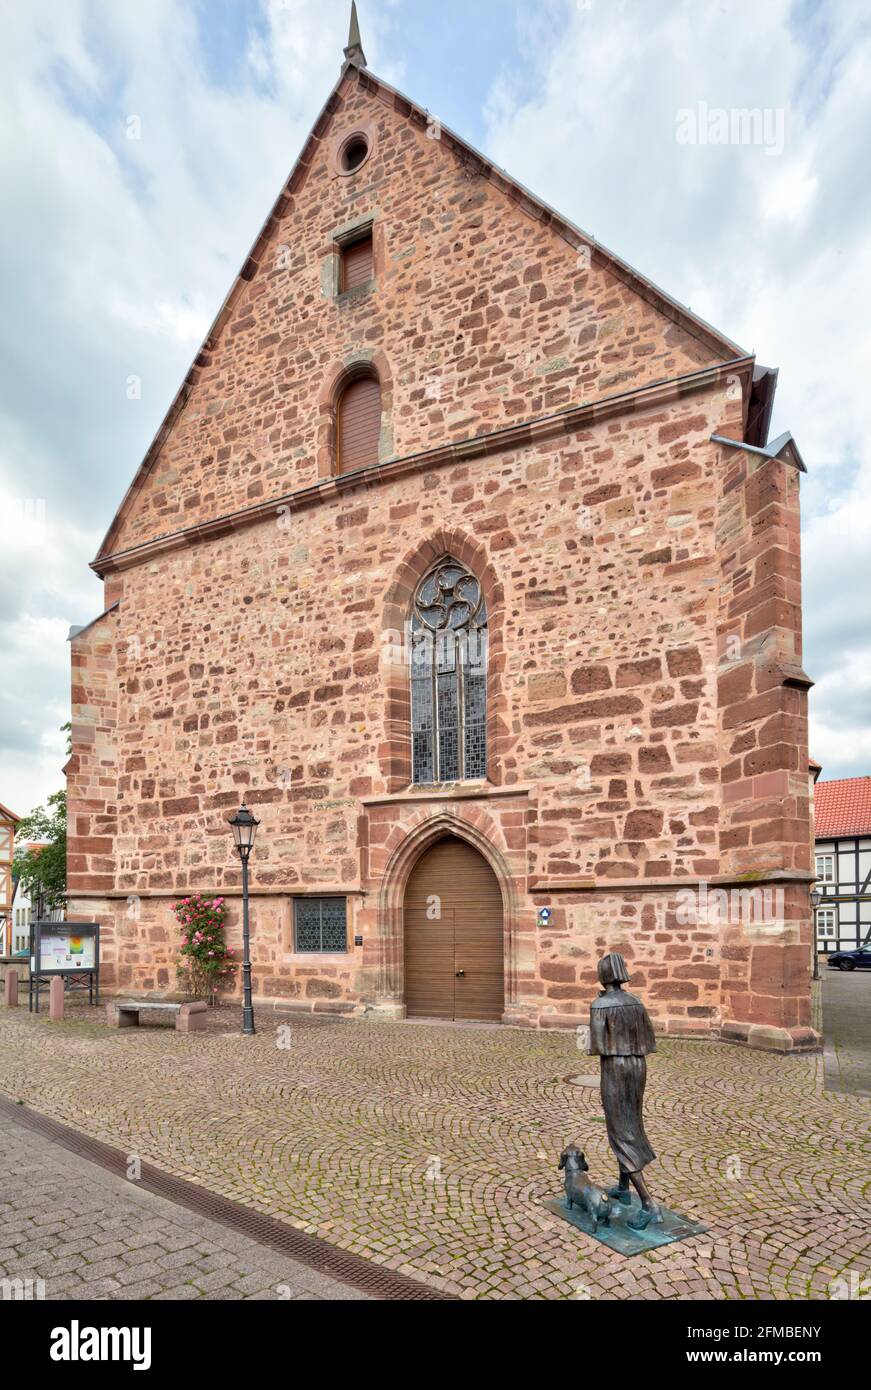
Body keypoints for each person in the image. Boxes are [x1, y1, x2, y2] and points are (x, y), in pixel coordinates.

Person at [589, 952, 661, 1229]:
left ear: (603, 976)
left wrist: (600, 1007)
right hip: (637, 1066)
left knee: (620, 1131)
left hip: (615, 1068)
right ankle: (623, 1187)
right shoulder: (636, 1002)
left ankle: (648, 1204)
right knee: (632, 1120)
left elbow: (597, 1045)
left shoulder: (600, 1005)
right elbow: (648, 1040)